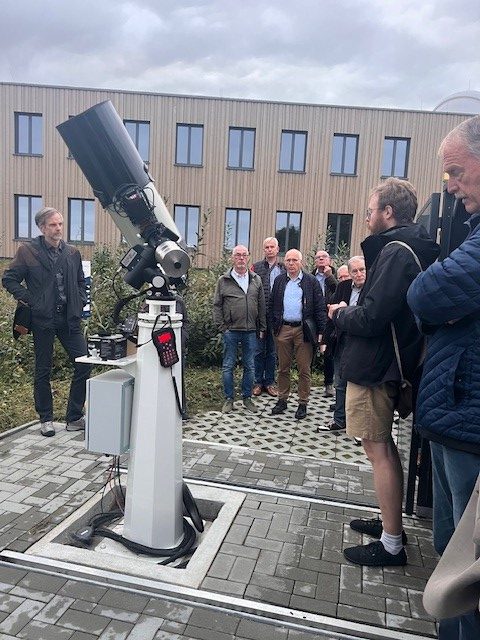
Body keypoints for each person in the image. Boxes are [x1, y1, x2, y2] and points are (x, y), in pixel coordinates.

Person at [329, 178, 439, 566]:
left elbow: (374, 317)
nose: (367, 217)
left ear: (387, 212)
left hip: (376, 367)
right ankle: (389, 522)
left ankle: (392, 543)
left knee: (377, 450)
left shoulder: (396, 252)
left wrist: (341, 313)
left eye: (370, 210)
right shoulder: (411, 247)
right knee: (384, 447)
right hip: (388, 364)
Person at [407, 115, 480, 639]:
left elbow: (424, 294)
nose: (450, 186)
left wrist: (441, 311)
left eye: (457, 171)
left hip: (466, 416)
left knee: (462, 565)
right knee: (450, 549)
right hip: (455, 408)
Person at [2, 207, 92, 437]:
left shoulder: (72, 252)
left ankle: (74, 417)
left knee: (84, 364)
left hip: (69, 319)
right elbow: (9, 279)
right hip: (43, 319)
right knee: (43, 369)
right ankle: (46, 419)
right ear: (42, 228)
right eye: (53, 225)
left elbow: (81, 282)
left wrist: (80, 300)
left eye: (60, 223)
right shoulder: (28, 251)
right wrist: (31, 300)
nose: (58, 228)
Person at [269, 249, 326, 420]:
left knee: (304, 369)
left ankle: (303, 402)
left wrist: (321, 332)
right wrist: (273, 325)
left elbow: (320, 307)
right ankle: (282, 399)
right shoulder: (279, 280)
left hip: (303, 330)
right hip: (283, 329)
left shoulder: (311, 281)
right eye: (288, 260)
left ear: (301, 262)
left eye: (295, 260)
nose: (291, 263)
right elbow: (272, 304)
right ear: (285, 262)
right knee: (283, 368)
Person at [213, 245, 266, 414]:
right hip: (231, 331)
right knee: (228, 366)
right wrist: (222, 327)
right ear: (232, 258)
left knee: (250, 366)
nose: (241, 258)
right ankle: (229, 399)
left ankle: (247, 398)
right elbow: (217, 305)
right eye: (238, 255)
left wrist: (262, 327)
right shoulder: (223, 280)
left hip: (250, 331)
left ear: (248, 257)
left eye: (244, 255)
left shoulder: (256, 279)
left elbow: (261, 305)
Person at [320, 256, 366, 432]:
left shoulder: (372, 288)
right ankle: (339, 420)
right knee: (339, 382)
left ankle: (359, 426)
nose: (359, 274)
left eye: (362, 270)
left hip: (363, 342)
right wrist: (325, 340)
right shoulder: (343, 287)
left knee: (360, 384)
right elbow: (331, 315)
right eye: (355, 271)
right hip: (342, 340)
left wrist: (343, 309)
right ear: (350, 273)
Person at [251, 237, 284, 397]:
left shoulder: (284, 268)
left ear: (277, 249)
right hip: (259, 316)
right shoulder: (256, 267)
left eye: (272, 247)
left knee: (272, 351)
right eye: (267, 247)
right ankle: (258, 382)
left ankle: (269, 382)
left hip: (276, 317)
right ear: (264, 249)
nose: (269, 249)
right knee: (258, 350)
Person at [312, 250, 337, 398]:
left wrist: (329, 276)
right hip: (313, 318)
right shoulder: (310, 276)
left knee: (328, 353)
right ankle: (305, 384)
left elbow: (338, 291)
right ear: (315, 261)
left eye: (324, 257)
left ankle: (329, 384)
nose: (321, 259)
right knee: (309, 351)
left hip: (329, 318)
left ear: (329, 260)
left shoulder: (335, 274)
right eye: (318, 257)